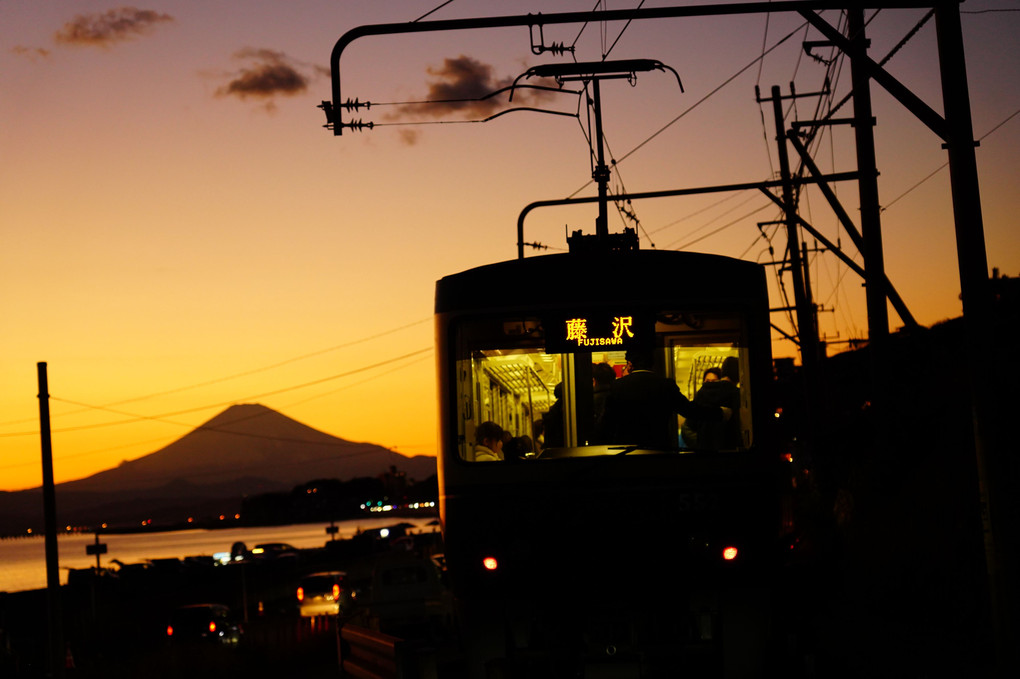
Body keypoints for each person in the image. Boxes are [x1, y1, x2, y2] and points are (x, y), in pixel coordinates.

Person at [599, 348, 727, 449]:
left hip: (627, 452)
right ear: (652, 363)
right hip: (658, 449)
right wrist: (720, 413)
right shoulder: (666, 385)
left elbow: (607, 421)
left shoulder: (617, 387)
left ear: (630, 364)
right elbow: (689, 410)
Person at [689, 357, 742, 450]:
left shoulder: (702, 392)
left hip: (704, 450)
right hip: (728, 450)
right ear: (738, 375)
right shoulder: (737, 395)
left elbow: (692, 424)